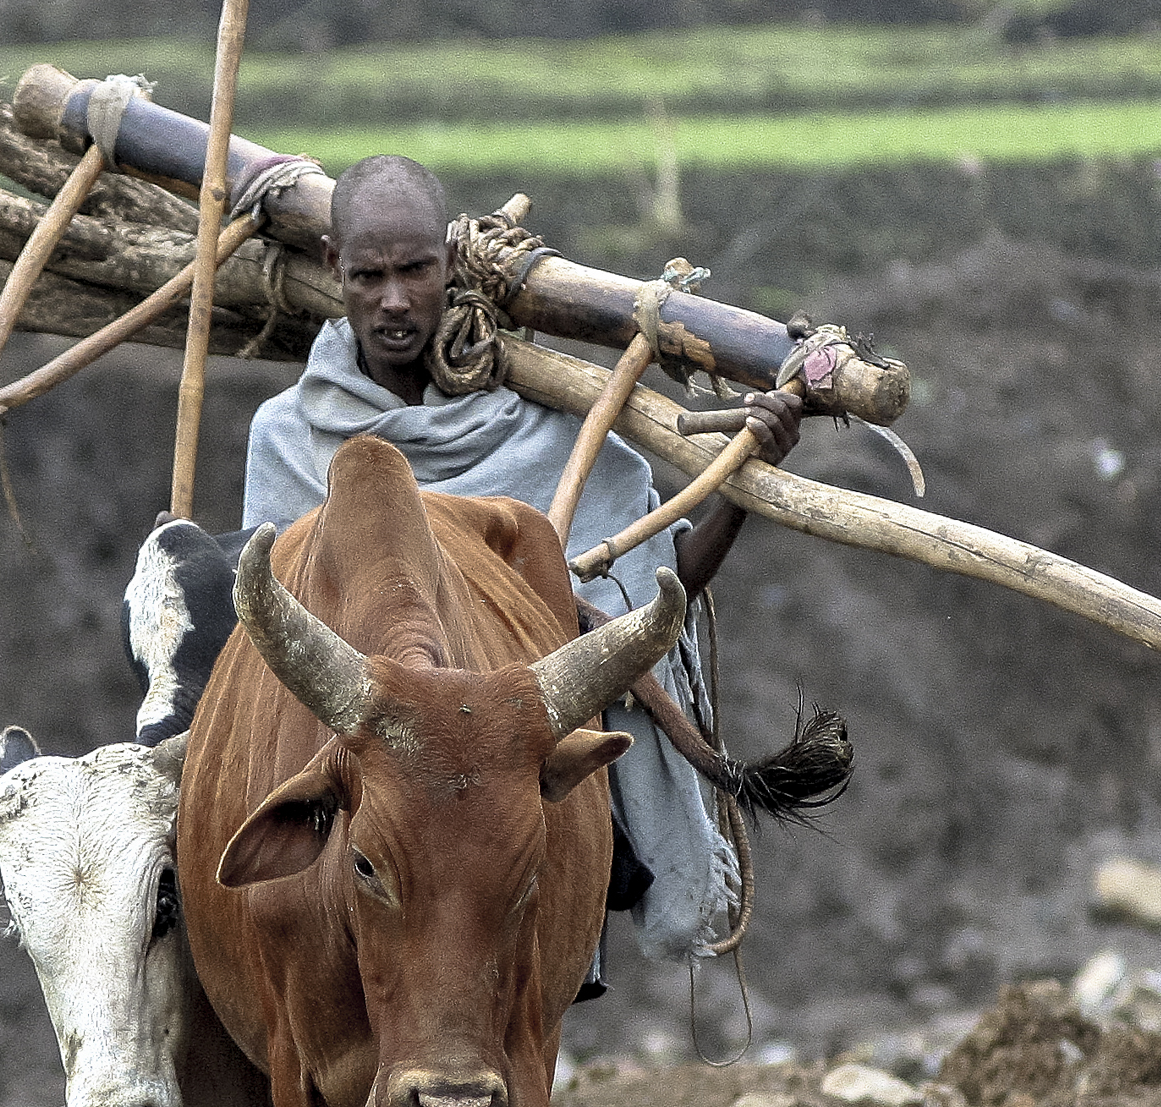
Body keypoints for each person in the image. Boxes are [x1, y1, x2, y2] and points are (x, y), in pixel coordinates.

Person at [239, 154, 805, 966]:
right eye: (369, 276)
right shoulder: (288, 439)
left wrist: (747, 477)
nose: (394, 300)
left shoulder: (544, 430)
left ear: (449, 262)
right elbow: (269, 653)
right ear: (334, 266)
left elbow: (648, 592)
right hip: (357, 809)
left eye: (415, 271)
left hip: (506, 803)